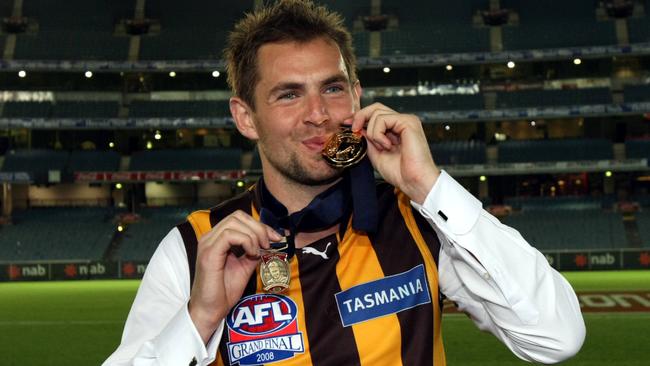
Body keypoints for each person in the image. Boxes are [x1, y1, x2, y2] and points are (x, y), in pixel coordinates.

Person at [103, 1, 585, 365]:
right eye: (289, 94)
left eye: (332, 88)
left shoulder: (417, 220)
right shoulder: (195, 246)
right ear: (245, 117)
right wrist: (201, 316)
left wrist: (429, 187)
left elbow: (556, 336)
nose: (318, 114)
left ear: (356, 95)